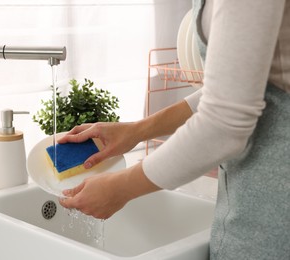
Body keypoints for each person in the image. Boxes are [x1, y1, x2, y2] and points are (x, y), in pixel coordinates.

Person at [59, 0, 290, 259]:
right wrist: (136, 131)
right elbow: (232, 89)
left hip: (274, 217)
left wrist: (121, 188)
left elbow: (223, 123)